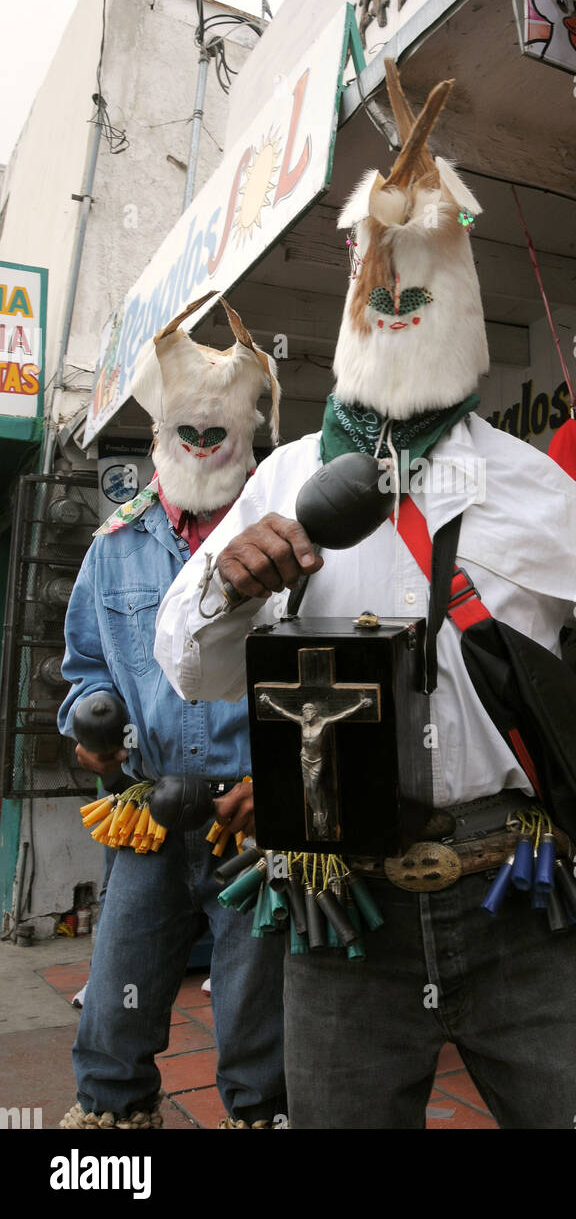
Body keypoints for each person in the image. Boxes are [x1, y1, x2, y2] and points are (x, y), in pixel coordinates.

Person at [155, 63, 576, 1130]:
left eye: (419, 280)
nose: (396, 297)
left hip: (523, 902)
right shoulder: (279, 478)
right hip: (342, 913)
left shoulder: (535, 485)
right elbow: (193, 669)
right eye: (378, 278)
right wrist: (226, 579)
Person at [58, 295, 287, 1130]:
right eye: (183, 434)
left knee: (258, 1003)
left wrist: (285, 777)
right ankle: (113, 1123)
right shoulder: (113, 545)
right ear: (159, 437)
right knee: (119, 988)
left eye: (211, 435)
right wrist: (92, 719)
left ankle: (262, 1116)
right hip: (148, 813)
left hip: (255, 813)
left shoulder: (284, 540)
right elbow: (84, 668)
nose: (198, 448)